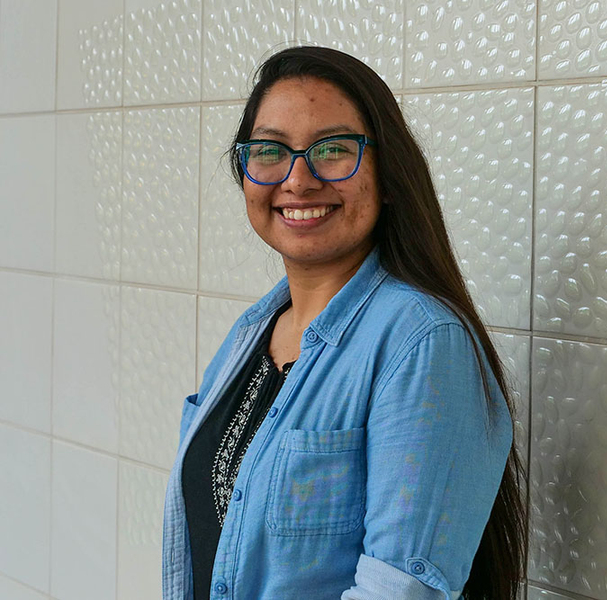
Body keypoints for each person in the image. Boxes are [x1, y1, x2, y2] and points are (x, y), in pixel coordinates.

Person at [162, 46, 527, 600]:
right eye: (270, 151)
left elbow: (401, 590)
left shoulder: (423, 344)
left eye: (333, 149)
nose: (298, 179)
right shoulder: (251, 333)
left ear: (387, 173)